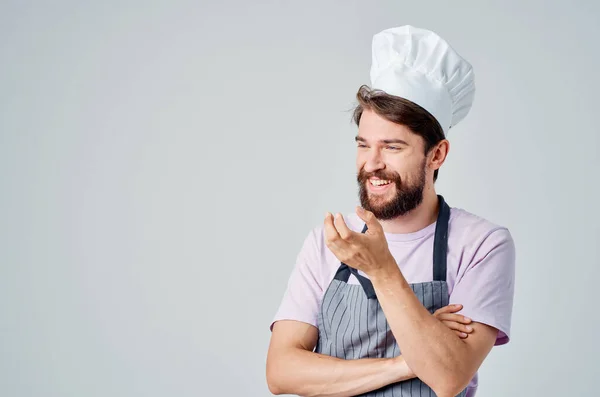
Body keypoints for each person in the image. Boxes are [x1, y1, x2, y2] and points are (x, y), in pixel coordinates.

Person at [266, 25, 515, 397]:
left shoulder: (481, 245)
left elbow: (448, 377)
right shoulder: (329, 241)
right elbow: (281, 372)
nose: (372, 163)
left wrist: (381, 269)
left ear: (437, 154)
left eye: (392, 147)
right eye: (363, 145)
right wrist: (407, 363)